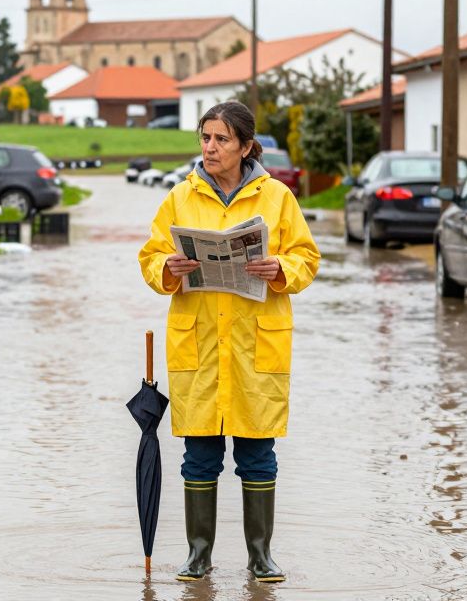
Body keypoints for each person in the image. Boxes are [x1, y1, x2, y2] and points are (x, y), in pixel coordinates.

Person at [138, 101, 321, 583]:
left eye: (221, 139)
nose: (211, 147)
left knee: (258, 453)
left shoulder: (278, 197)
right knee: (199, 454)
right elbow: (151, 257)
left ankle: (261, 557)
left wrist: (282, 268)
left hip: (255, 344)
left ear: (245, 145)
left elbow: (307, 257)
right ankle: (199, 555)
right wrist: (167, 270)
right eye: (205, 137)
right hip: (198, 343)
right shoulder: (179, 198)